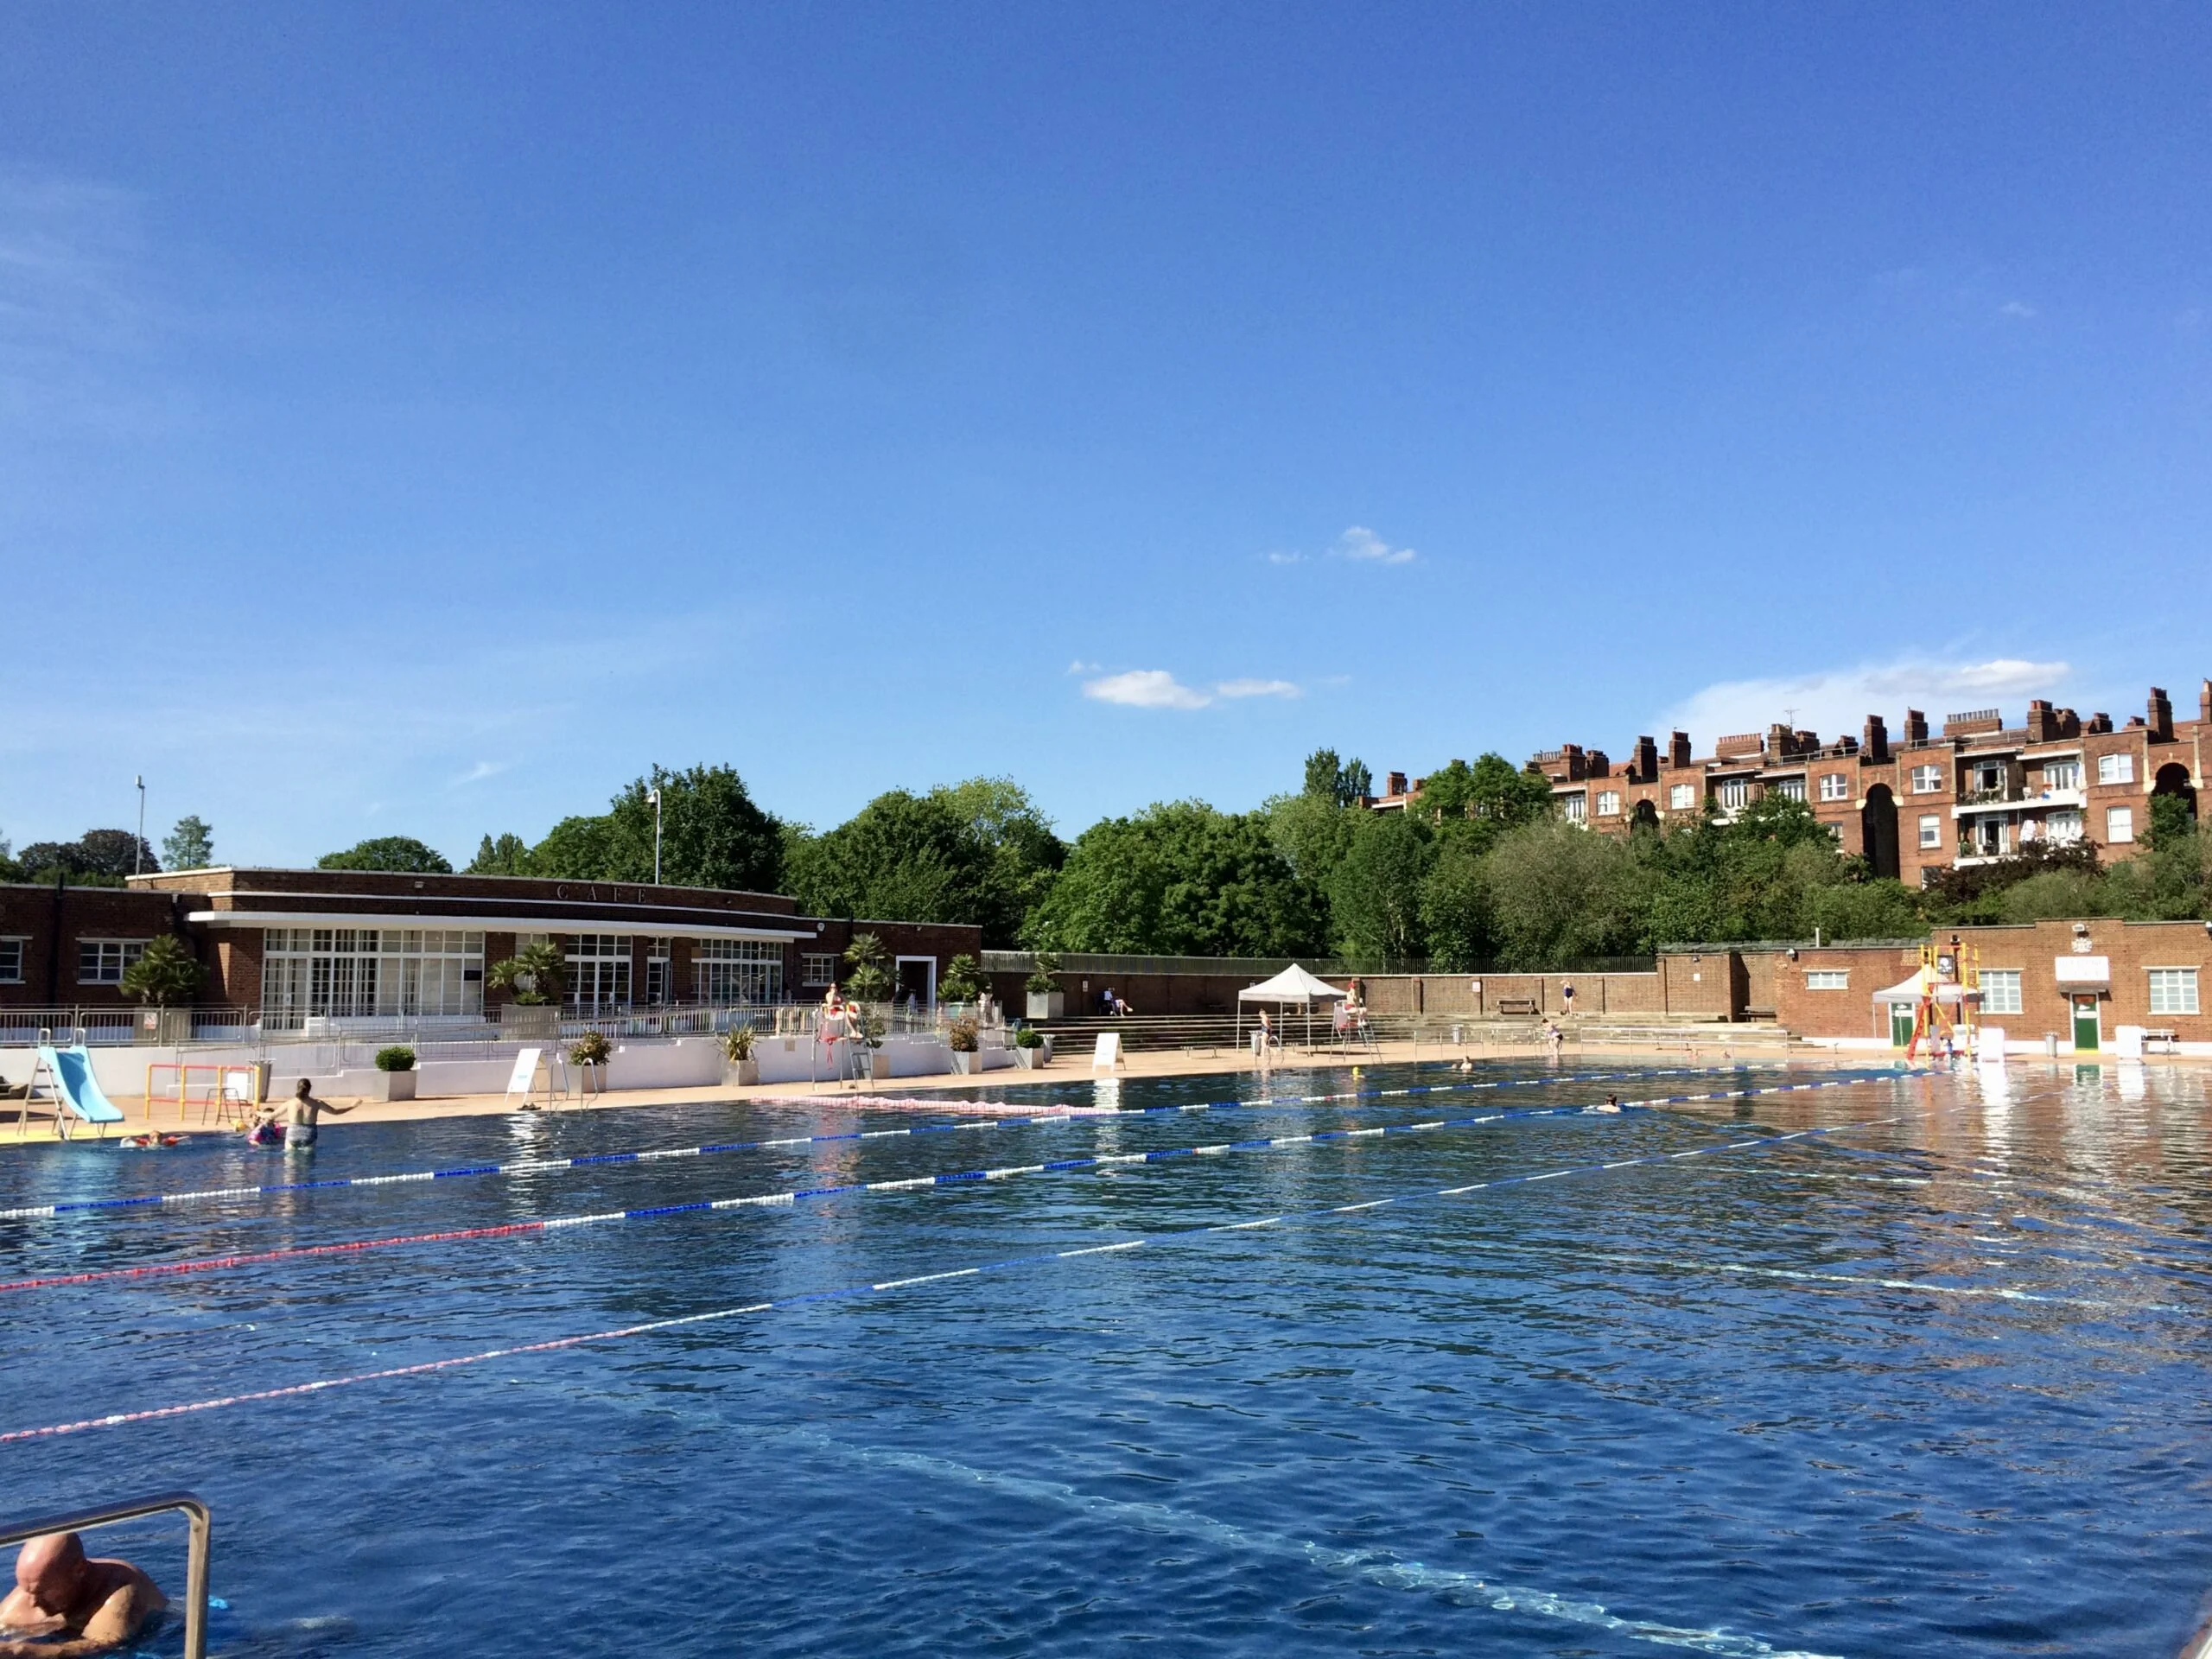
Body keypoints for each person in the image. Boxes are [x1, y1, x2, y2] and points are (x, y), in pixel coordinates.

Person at [0, 1531, 165, 1658]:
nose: (33, 1602)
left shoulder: (119, 1587)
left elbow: (105, 1645)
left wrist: (21, 1651)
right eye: (27, 1590)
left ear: (79, 1571)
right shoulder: (35, 1588)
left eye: (43, 1592)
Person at [279, 1077, 354, 1152]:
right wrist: (352, 1106)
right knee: (308, 1162)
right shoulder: (317, 1103)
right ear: (310, 1088)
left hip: (293, 1135)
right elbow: (335, 1112)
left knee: (290, 1160)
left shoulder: (290, 1103)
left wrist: (267, 1118)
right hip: (309, 1136)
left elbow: (272, 1116)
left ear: (297, 1088)